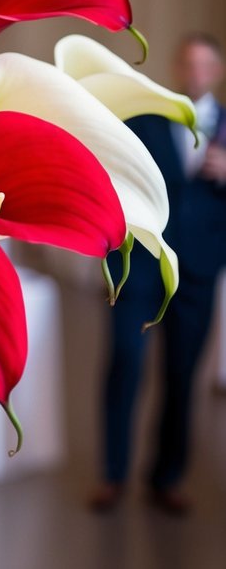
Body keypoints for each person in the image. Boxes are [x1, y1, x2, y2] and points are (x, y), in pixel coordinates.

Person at [90, 32, 226, 515]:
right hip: (139, 266)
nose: (196, 73)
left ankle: (166, 478)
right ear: (177, 67)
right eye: (188, 64)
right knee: (125, 363)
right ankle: (113, 475)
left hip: (200, 269)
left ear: (217, 71)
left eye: (205, 65)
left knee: (181, 375)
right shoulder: (144, 121)